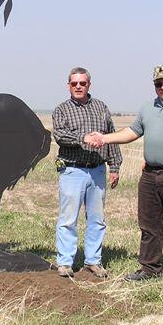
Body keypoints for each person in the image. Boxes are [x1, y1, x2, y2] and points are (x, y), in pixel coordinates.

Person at [86, 64, 163, 292]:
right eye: (158, 83)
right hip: (150, 175)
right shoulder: (148, 108)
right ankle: (149, 267)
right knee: (148, 224)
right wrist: (104, 138)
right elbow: (131, 133)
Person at [52, 67, 122, 279]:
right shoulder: (62, 109)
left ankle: (93, 261)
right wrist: (83, 138)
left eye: (82, 83)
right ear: (68, 86)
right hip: (72, 170)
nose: (78, 87)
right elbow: (60, 135)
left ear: (89, 84)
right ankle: (64, 262)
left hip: (97, 171)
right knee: (68, 219)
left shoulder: (101, 108)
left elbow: (111, 137)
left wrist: (115, 166)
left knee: (97, 219)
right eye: (74, 83)